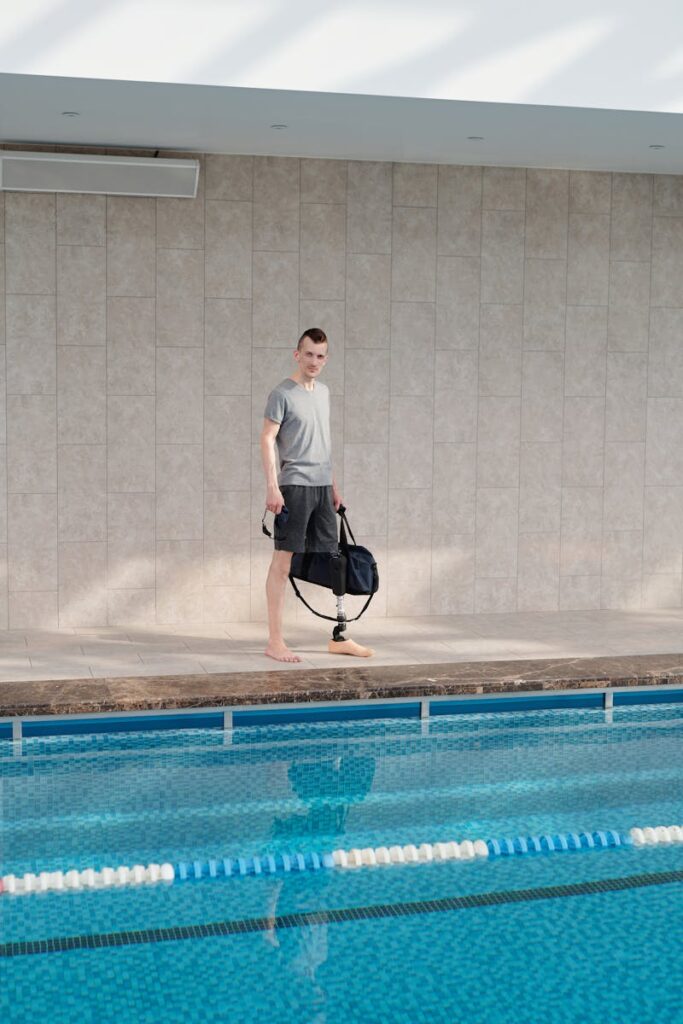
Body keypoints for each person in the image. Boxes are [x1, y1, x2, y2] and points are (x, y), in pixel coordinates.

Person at [261, 328, 342, 663]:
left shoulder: (323, 392)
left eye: (320, 356)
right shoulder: (281, 394)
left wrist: (333, 483)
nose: (314, 361)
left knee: (334, 558)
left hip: (322, 487)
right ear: (297, 355)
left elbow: (322, 442)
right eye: (309, 354)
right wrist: (272, 486)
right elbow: (267, 440)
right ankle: (274, 642)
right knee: (283, 563)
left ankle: (340, 633)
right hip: (293, 486)